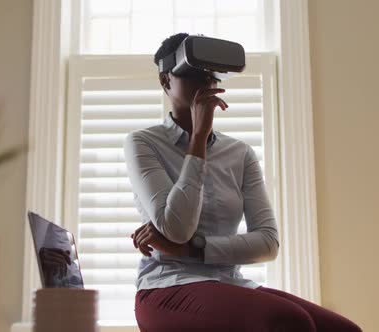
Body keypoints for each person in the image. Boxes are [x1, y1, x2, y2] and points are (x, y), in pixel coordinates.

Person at [124, 32, 363, 332]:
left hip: (230, 283)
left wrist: (192, 250)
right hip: (166, 286)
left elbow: (267, 243)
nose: (206, 83)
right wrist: (198, 138)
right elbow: (177, 227)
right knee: (289, 322)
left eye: (210, 75)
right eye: (192, 74)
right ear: (165, 81)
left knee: (344, 331)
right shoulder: (143, 143)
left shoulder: (239, 153)